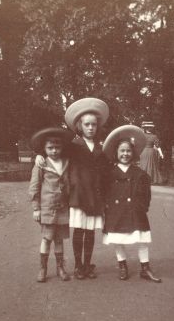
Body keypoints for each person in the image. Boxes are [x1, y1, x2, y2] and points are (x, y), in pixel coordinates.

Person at [35, 98, 110, 280]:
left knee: (90, 232)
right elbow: (53, 150)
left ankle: (87, 265)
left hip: (94, 195)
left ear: (97, 126)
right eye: (87, 124)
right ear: (79, 126)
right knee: (79, 231)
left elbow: (106, 173)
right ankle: (78, 266)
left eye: (93, 124)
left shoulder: (102, 149)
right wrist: (38, 154)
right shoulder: (73, 146)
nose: (90, 128)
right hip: (78, 194)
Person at [102, 125, 161, 283]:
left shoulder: (140, 174)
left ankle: (145, 267)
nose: (125, 154)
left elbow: (146, 194)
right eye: (122, 151)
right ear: (116, 153)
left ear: (133, 153)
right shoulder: (110, 174)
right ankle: (122, 265)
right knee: (118, 239)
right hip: (116, 211)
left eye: (128, 151)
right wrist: (106, 208)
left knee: (142, 239)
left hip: (135, 211)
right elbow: (104, 193)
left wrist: (142, 207)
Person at [28, 127, 74, 283]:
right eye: (50, 148)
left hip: (63, 207)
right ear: (44, 149)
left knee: (59, 240)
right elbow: (34, 186)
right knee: (47, 238)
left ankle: (60, 267)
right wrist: (36, 208)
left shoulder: (67, 162)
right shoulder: (41, 164)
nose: (54, 151)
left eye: (57, 147)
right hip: (48, 207)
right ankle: (43, 268)